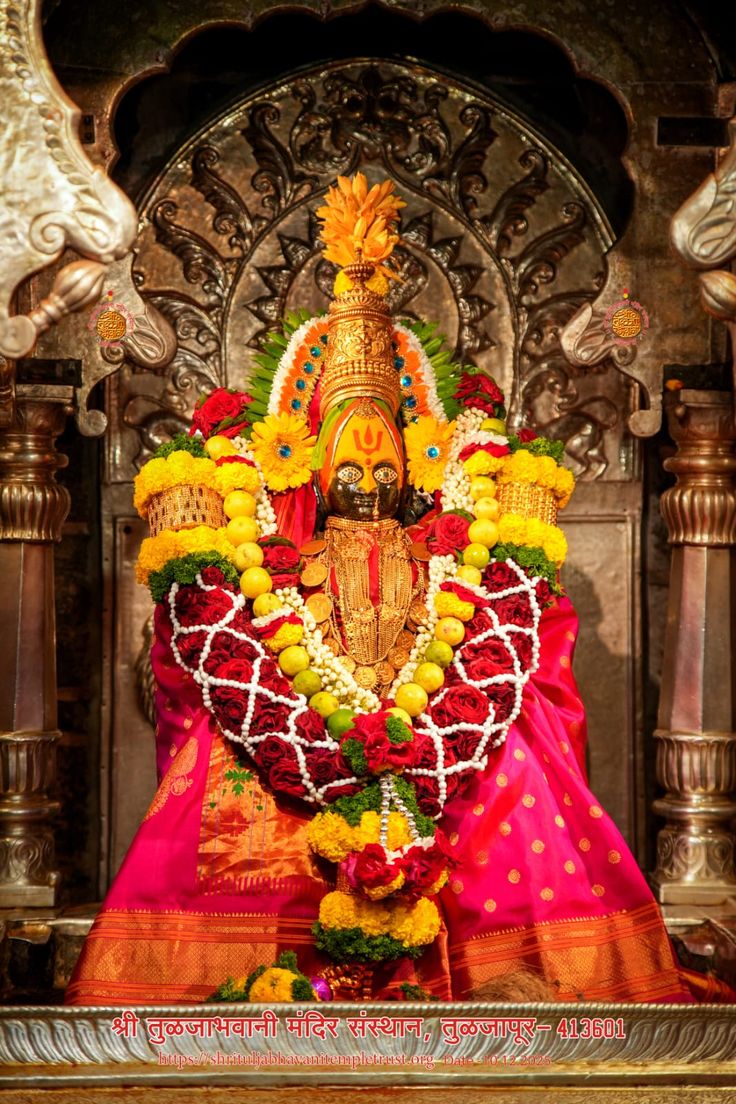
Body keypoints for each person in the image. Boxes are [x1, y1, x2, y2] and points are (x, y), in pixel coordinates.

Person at [67, 175, 696, 1005]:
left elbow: (514, 646)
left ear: (415, 460)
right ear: (313, 467)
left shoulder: (447, 557)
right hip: (297, 727)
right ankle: (266, 974)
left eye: (383, 460)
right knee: (227, 776)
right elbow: (208, 660)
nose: (367, 479)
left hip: (440, 729)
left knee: (512, 763)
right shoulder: (282, 560)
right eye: (349, 461)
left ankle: (497, 969)